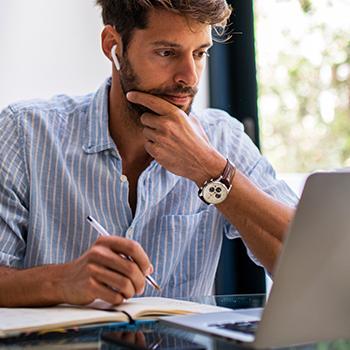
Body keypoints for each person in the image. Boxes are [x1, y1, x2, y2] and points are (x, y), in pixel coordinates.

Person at [0, 0, 297, 307]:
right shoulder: (23, 133)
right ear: (113, 46)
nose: (190, 77)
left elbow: (311, 259)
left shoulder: (222, 139)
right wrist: (62, 281)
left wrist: (212, 173)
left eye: (199, 53)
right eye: (167, 53)